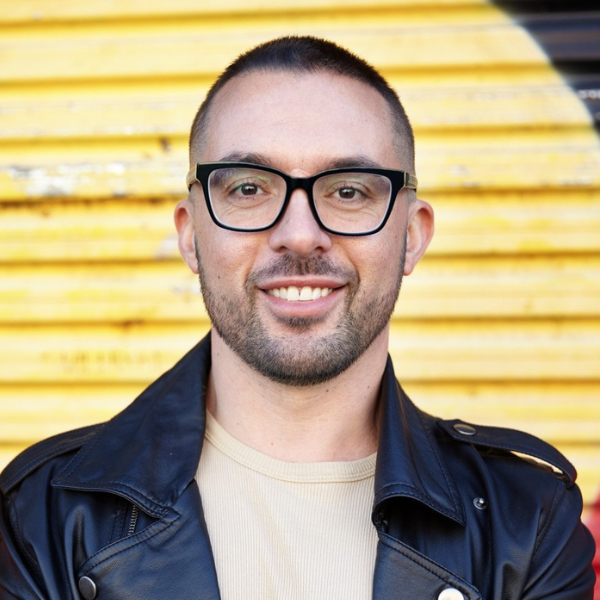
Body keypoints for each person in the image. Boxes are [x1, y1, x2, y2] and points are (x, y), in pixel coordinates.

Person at [0, 36, 595, 600]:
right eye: (250, 188)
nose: (299, 234)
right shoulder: (40, 518)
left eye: (349, 191)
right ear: (190, 237)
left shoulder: (528, 519)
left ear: (411, 237)